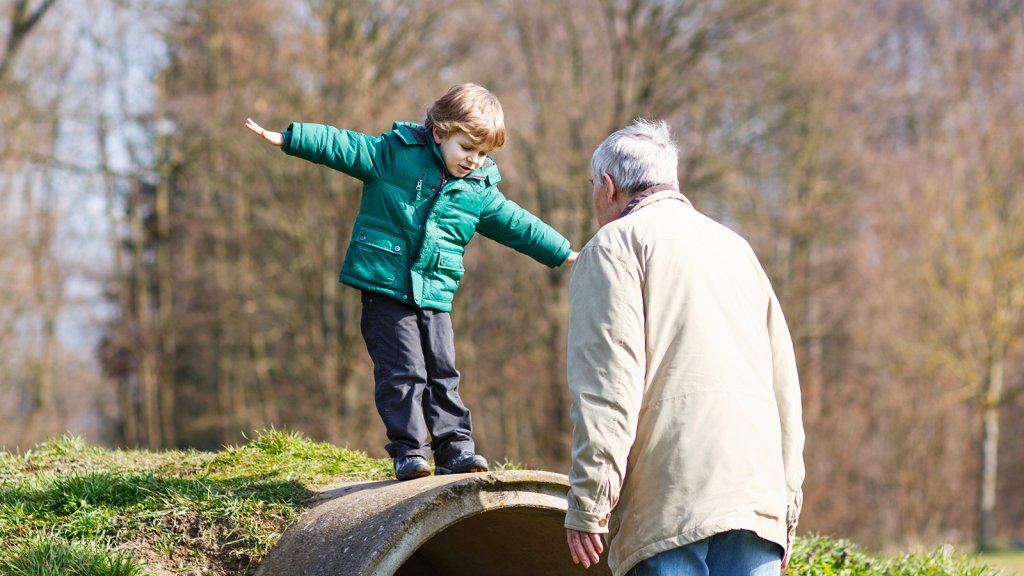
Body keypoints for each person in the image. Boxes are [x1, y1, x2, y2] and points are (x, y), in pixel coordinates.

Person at [245, 83, 578, 481]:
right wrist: (290, 138)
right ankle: (409, 451)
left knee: (443, 371)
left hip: (435, 293)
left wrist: (564, 251)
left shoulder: (479, 190)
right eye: (466, 148)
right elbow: (344, 146)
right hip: (386, 287)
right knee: (404, 370)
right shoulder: (394, 155)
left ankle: (455, 447)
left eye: (483, 153)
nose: (474, 160)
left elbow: (518, 224)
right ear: (439, 132)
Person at [563, 119, 804, 576]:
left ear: (608, 187)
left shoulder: (614, 246)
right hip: (757, 497)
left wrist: (590, 501)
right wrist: (786, 511)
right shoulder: (738, 249)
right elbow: (785, 392)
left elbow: (608, 387)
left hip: (670, 499)